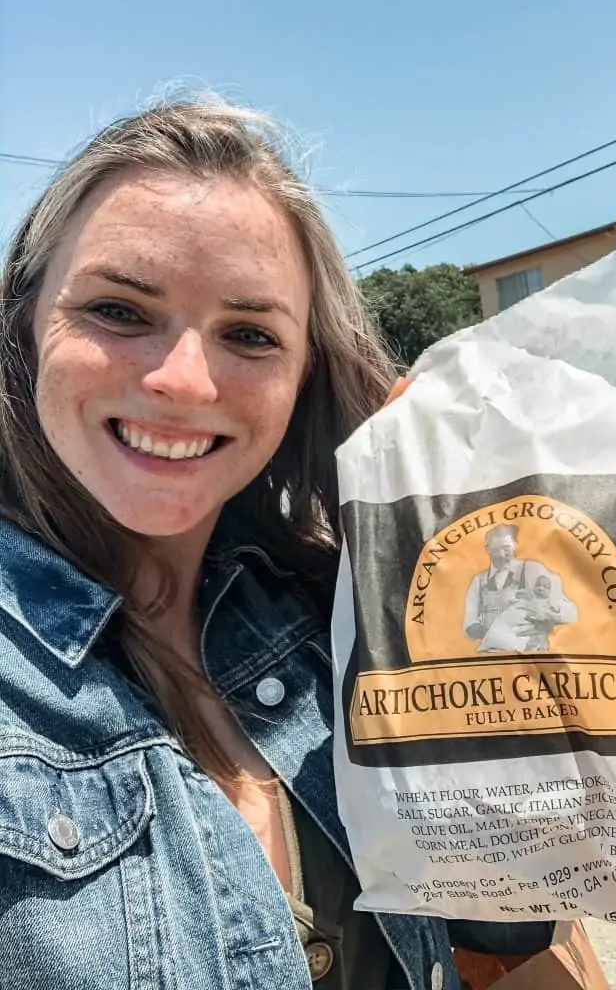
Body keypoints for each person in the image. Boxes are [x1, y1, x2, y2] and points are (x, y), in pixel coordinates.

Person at [0, 97, 555, 989]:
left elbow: (505, 930)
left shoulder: (334, 614)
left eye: (250, 334)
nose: (182, 381)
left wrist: (438, 568)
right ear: (25, 327)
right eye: (118, 310)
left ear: (306, 376)